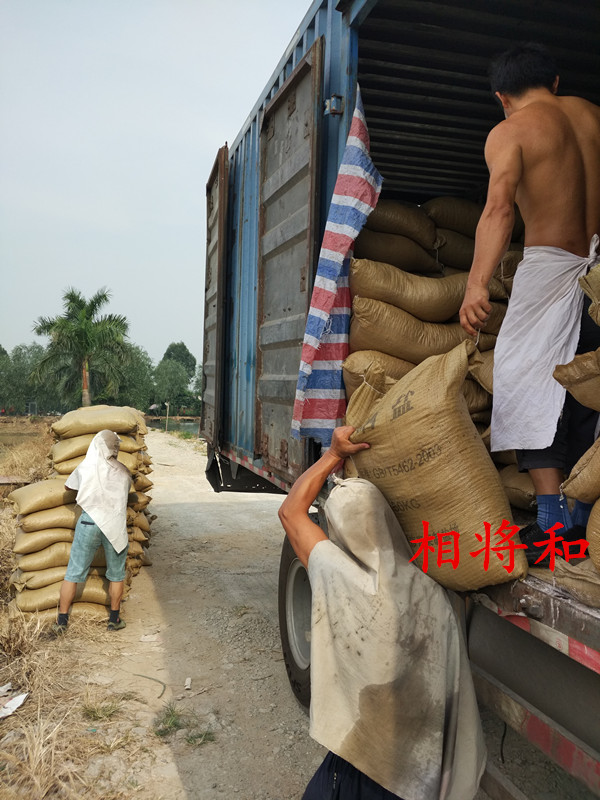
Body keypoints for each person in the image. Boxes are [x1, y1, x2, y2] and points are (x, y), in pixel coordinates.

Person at [278, 426, 485, 800]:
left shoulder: (340, 578)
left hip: (367, 769)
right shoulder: (434, 590)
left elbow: (291, 512)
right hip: (422, 771)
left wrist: (333, 455)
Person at [459, 42, 600, 555]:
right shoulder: (589, 116)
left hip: (549, 270)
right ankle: (583, 515)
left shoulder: (511, 132)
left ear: (502, 97)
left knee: (523, 383)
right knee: (587, 388)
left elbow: (498, 211)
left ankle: (553, 524)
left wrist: (476, 283)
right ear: (556, 82)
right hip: (597, 272)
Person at [52, 430, 131, 634]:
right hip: (114, 525)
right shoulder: (124, 471)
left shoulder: (87, 466)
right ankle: (114, 619)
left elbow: (69, 487)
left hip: (89, 521)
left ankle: (61, 621)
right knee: (116, 575)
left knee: (74, 572)